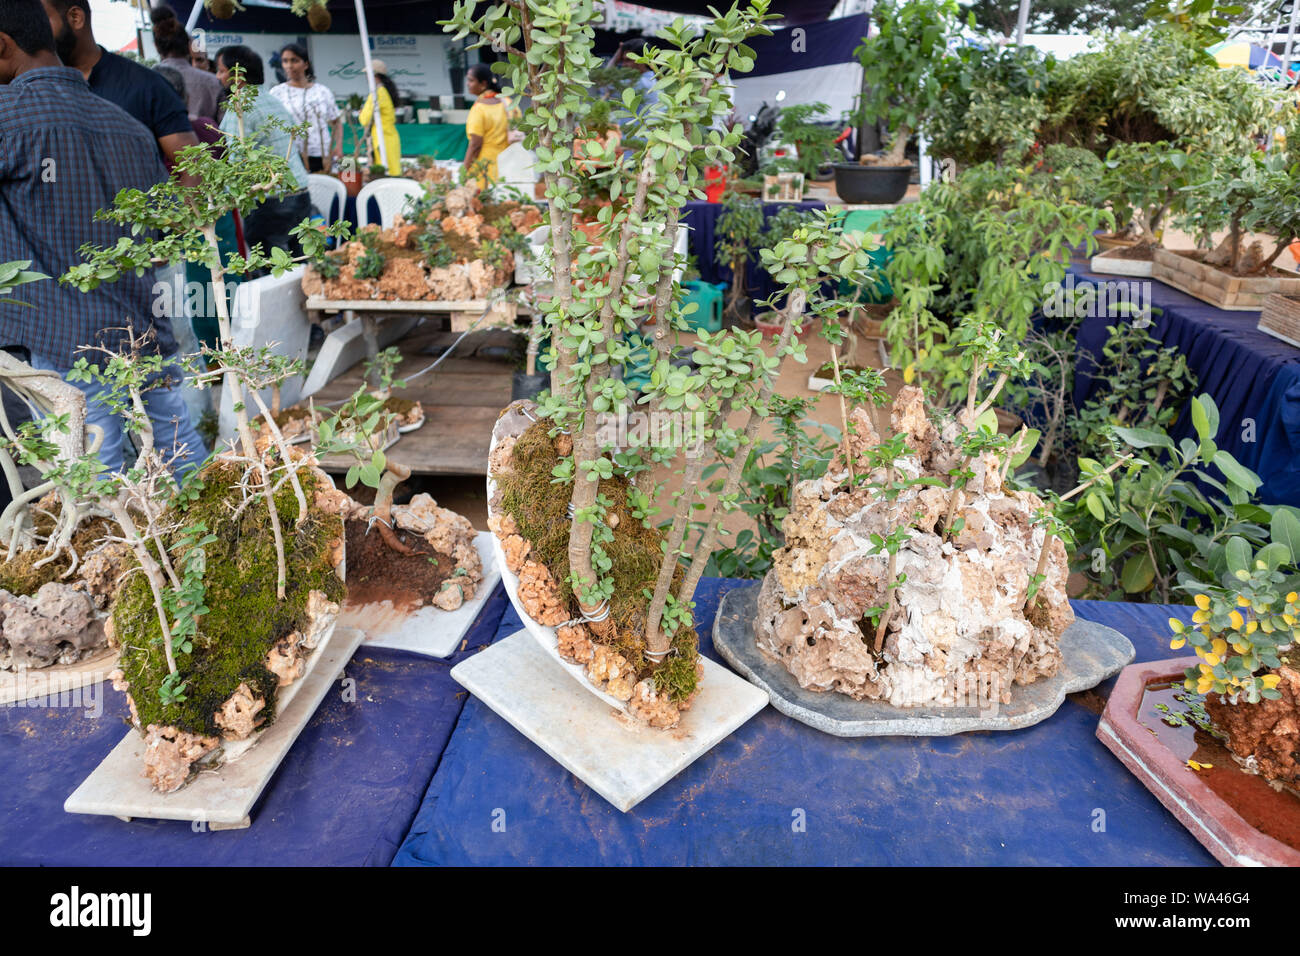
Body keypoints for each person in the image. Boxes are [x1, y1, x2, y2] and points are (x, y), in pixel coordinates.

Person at [0, 0, 208, 477]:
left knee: (94, 487)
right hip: (140, 324)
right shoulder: (129, 127)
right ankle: (228, 543)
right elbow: (166, 222)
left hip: (61, 342)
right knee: (183, 455)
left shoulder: (9, 116)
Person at [41, 0, 200, 173]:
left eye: (42, 21)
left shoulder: (147, 86)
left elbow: (193, 168)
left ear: (76, 17)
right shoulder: (34, 92)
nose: (35, 32)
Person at [215, 45, 312, 258]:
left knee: (270, 270)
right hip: (300, 193)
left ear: (237, 76)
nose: (218, 77)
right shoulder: (272, 100)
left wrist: (222, 202)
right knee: (301, 265)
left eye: (221, 71)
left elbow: (237, 162)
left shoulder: (239, 109)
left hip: (271, 201)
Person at [268, 42, 342, 173]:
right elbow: (269, 125)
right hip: (290, 155)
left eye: (294, 60)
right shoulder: (277, 92)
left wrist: (338, 146)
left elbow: (336, 121)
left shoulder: (322, 92)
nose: (289, 65)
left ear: (306, 64)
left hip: (322, 154)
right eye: (285, 61)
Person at [150, 4, 220, 122]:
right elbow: (227, 131)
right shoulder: (214, 83)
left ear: (156, 46)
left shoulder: (146, 81)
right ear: (189, 45)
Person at [463, 62, 510, 183]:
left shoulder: (479, 109)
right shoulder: (508, 103)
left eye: (471, 80)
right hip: (510, 165)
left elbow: (475, 145)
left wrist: (464, 171)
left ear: (483, 84)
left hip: (486, 169)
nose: (467, 84)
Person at [359, 59, 402, 176]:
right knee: (391, 175)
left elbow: (364, 120)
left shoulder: (377, 94)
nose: (366, 77)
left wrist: (361, 112)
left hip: (383, 140)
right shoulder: (384, 91)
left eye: (367, 74)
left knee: (386, 178)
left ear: (375, 75)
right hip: (387, 138)